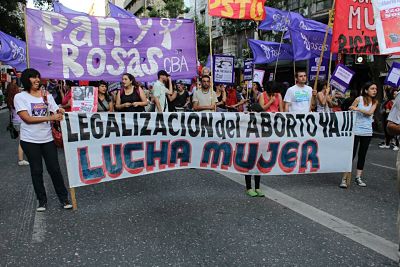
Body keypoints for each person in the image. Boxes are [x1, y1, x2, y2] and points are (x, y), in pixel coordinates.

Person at [13, 68, 72, 211]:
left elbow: (54, 109)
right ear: (27, 80)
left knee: (55, 169)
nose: (37, 80)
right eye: (33, 77)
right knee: (36, 170)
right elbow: (27, 119)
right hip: (30, 141)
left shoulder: (46, 95)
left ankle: (64, 199)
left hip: (47, 139)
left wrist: (59, 110)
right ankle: (42, 201)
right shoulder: (20, 97)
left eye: (38, 77)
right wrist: (50, 118)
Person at [339, 82, 378, 188]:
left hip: (367, 131)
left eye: (375, 89)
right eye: (372, 88)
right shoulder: (359, 99)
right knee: (351, 155)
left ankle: (358, 177)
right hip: (355, 130)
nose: (375, 90)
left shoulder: (375, 101)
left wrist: (358, 109)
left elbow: (370, 113)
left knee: (362, 155)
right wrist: (352, 108)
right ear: (366, 90)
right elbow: (350, 109)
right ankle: (344, 178)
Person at [6, 79, 29, 166]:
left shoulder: (9, 99)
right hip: (21, 120)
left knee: (23, 138)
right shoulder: (18, 98)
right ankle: (21, 159)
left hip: (15, 122)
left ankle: (25, 155)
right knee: (22, 140)